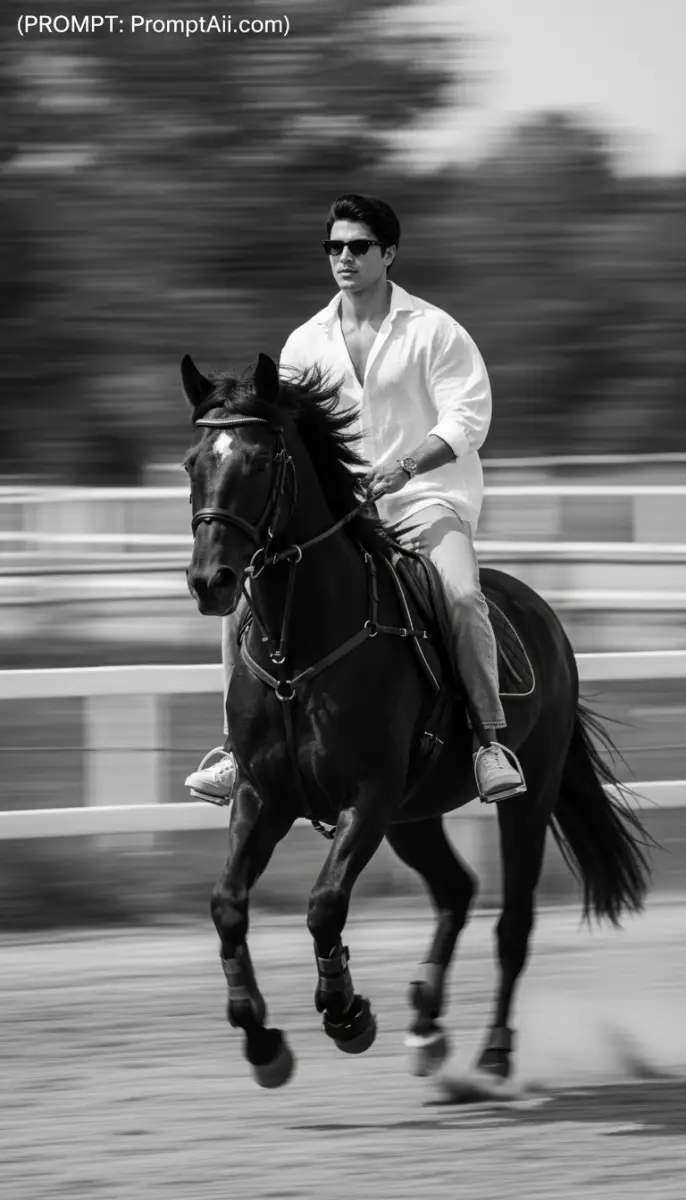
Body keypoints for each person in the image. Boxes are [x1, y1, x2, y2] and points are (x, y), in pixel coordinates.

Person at [185, 194, 525, 804]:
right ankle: (236, 751)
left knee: (463, 594)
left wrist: (406, 466)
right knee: (244, 604)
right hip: (338, 518)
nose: (344, 257)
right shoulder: (304, 344)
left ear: (389, 254)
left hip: (425, 503)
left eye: (358, 246)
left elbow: (468, 418)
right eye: (335, 246)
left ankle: (487, 743)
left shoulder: (435, 331)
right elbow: (287, 439)